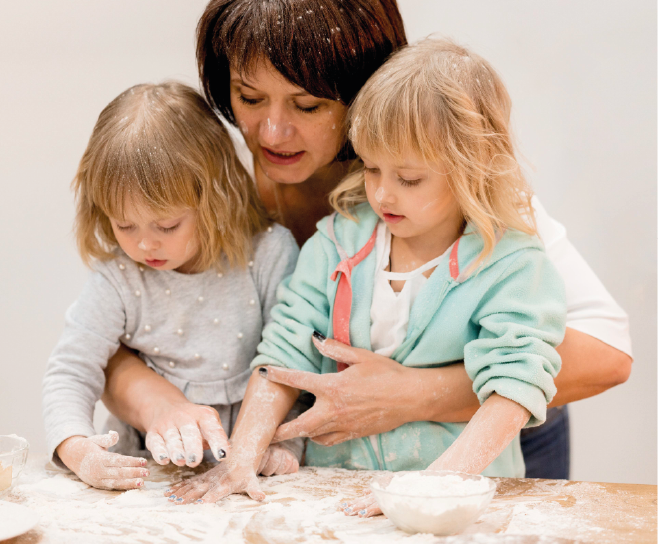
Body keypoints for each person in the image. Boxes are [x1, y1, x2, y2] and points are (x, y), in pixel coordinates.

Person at [103, 0, 632, 481]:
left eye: (308, 105)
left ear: (362, 91)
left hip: (492, 448)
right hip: (336, 460)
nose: (272, 132)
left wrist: (415, 395)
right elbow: (112, 326)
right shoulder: (212, 198)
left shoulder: (459, 192)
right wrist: (158, 405)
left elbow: (608, 353)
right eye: (250, 97)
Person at [165, 37, 567, 510]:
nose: (383, 195)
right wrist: (242, 455)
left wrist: (435, 487)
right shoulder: (339, 241)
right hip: (334, 494)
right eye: (372, 168)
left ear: (474, 167)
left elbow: (514, 386)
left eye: (409, 179)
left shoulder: (511, 264)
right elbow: (284, 351)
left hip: (455, 504)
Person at [42, 82, 303, 490]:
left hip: (248, 474)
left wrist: (286, 446)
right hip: (149, 480)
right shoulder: (120, 276)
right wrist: (78, 450)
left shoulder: (268, 255)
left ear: (216, 198)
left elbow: (295, 368)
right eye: (124, 224)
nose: (144, 244)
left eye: (167, 225)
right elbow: (70, 371)